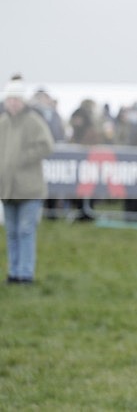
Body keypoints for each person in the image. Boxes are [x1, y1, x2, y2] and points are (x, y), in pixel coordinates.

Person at [0, 74, 54, 284]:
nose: (13, 103)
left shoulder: (33, 122)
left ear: (22, 101)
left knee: (25, 230)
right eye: (10, 99)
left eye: (16, 99)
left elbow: (46, 145)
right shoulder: (3, 123)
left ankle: (26, 273)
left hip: (29, 189)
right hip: (7, 189)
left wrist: (22, 159)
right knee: (11, 232)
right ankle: (13, 272)